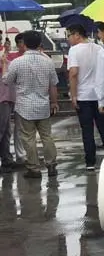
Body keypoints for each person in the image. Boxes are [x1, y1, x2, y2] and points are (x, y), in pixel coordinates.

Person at [3, 30, 59, 179]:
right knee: (47, 136)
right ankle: (51, 164)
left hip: (24, 106)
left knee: (28, 138)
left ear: (25, 44)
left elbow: (7, 81)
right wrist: (54, 102)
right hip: (43, 105)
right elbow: (53, 85)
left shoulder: (17, 62)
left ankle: (34, 168)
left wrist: (4, 67)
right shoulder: (47, 61)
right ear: (40, 44)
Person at [66, 24, 104, 171]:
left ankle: (90, 162)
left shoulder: (74, 50)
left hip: (83, 96)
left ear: (77, 34)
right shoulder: (99, 49)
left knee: (87, 130)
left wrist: (73, 95)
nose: (69, 39)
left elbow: (73, 73)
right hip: (99, 95)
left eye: (69, 35)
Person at [10, 33, 27, 166]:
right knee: (18, 127)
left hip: (27, 96)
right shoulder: (12, 57)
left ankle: (26, 153)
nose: (23, 45)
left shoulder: (32, 56)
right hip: (15, 95)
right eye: (21, 42)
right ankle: (20, 155)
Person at [0, 41, 17, 173]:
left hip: (8, 97)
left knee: (6, 131)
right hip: (2, 98)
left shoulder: (6, 56)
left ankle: (6, 159)